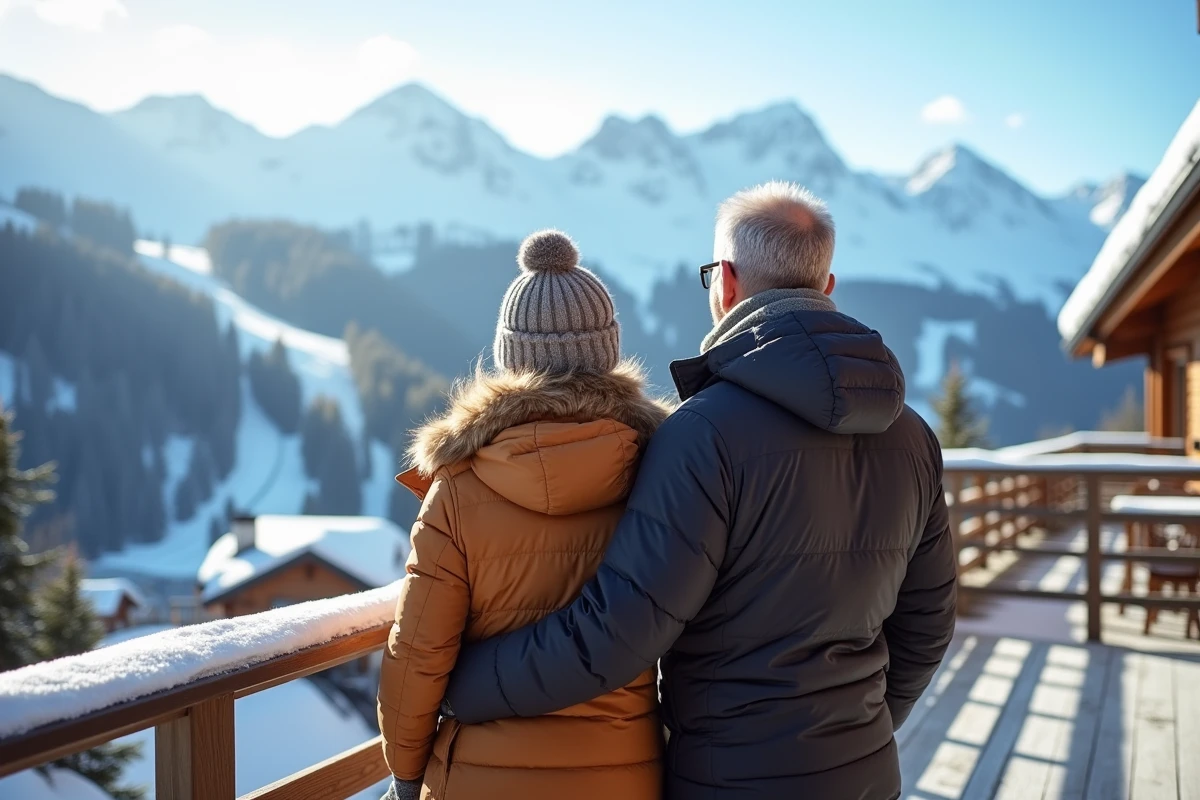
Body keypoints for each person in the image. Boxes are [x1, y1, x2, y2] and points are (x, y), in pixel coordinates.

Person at [440, 182, 958, 799]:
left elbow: (617, 632)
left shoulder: (704, 434)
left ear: (727, 283)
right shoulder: (913, 436)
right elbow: (927, 626)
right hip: (865, 774)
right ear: (826, 288)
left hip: (731, 780)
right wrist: (858, 730)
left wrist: (458, 683)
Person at [376, 229, 670, 800]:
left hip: (482, 777)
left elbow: (416, 655)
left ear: (510, 355)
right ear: (607, 349)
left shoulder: (459, 490)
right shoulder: (663, 473)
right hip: (623, 774)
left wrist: (407, 774)